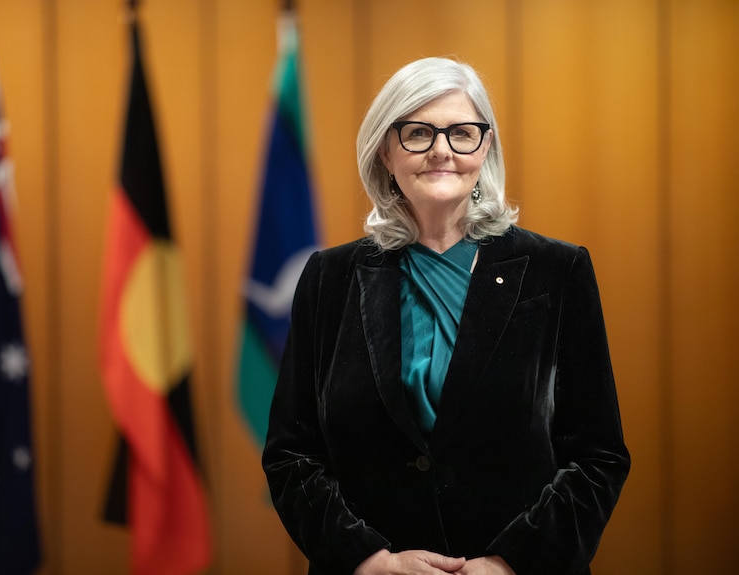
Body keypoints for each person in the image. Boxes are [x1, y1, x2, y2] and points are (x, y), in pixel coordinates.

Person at [262, 57, 630, 575]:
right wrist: (369, 561)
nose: (441, 150)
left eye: (462, 132)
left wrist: (508, 563)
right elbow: (291, 454)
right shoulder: (329, 277)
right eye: (417, 132)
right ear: (385, 153)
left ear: (486, 148)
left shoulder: (557, 272)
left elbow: (598, 457)